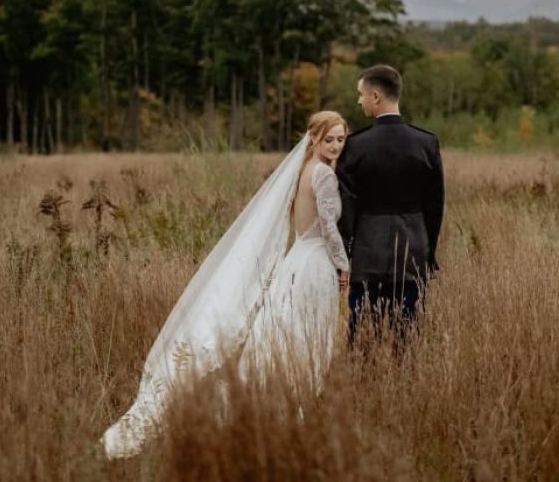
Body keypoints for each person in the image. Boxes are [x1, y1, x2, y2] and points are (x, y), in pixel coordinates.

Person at [101, 111, 350, 460]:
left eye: (341, 139)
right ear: (313, 138)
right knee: (305, 337)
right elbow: (328, 228)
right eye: (330, 139)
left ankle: (274, 409)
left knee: (285, 334)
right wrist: (344, 265)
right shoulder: (323, 174)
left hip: (298, 260)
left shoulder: (301, 169)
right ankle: (289, 413)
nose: (336, 145)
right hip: (315, 264)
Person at [336, 65, 444, 344]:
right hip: (412, 255)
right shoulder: (426, 143)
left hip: (367, 257)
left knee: (361, 342)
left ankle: (363, 387)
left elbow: (346, 209)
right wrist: (427, 252)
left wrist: (345, 254)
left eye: (360, 94)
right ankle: (404, 387)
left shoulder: (355, 146)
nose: (358, 101)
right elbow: (435, 207)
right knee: (407, 340)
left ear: (375, 96)